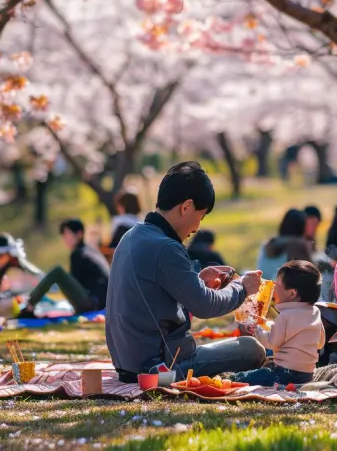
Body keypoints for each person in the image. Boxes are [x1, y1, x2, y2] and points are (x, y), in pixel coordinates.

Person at [105, 162, 266, 381]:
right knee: (252, 349)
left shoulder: (132, 236)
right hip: (161, 368)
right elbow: (204, 306)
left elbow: (153, 297)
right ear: (186, 207)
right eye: (201, 217)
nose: (197, 228)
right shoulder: (166, 247)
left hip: (128, 364)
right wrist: (241, 288)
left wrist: (197, 280)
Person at [232, 260, 325, 387]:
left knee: (248, 377)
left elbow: (272, 342)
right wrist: (265, 324)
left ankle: (233, 378)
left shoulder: (285, 316)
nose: (274, 288)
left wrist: (256, 328)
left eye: (278, 285)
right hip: (307, 374)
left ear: (292, 293)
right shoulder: (315, 312)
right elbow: (320, 343)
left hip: (285, 374)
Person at [18, 219, 111, 318]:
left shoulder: (79, 254)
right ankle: (31, 303)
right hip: (103, 303)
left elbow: (74, 285)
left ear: (79, 234)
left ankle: (30, 305)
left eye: (67, 234)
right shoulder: (89, 250)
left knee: (57, 272)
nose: (65, 238)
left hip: (95, 304)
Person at [257, 209, 313, 279]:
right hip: (284, 287)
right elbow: (311, 274)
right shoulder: (298, 244)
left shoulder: (268, 243)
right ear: (302, 227)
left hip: (264, 286)